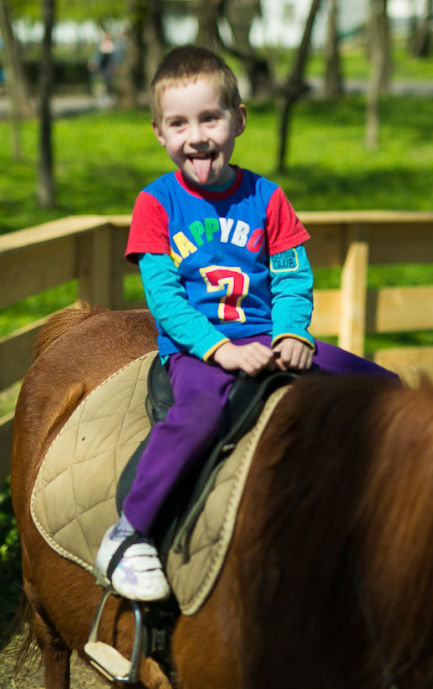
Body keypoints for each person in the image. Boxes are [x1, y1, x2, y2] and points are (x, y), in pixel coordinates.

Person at [95, 44, 396, 601]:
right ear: (159, 132)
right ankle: (129, 531)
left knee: (386, 387)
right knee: (200, 415)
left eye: (210, 118)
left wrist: (292, 332)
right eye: (178, 123)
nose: (196, 136)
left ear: (238, 119)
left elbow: (291, 277)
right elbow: (164, 299)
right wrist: (219, 350)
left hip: (268, 336)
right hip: (198, 349)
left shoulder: (268, 198)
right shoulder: (155, 204)